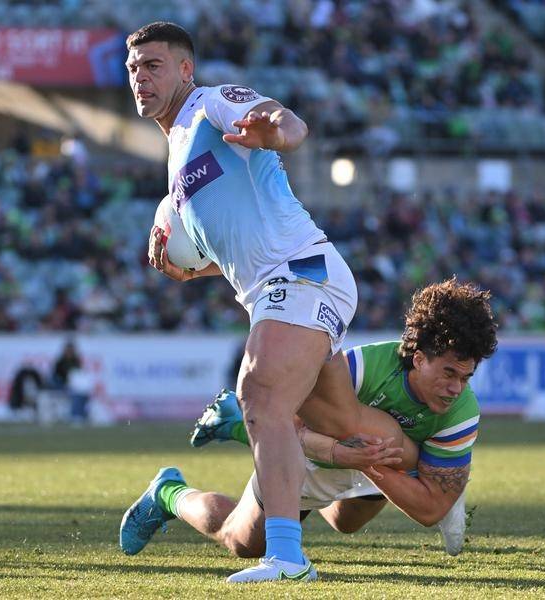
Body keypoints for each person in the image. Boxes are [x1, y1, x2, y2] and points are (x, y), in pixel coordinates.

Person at [123, 21, 369, 582]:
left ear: (186, 69)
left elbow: (289, 122)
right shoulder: (176, 163)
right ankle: (184, 500)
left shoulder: (210, 104)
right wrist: (193, 271)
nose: (141, 77)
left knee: (257, 392)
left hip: (304, 272)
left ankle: (288, 561)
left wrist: (277, 132)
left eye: (154, 65)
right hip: (273, 288)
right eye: (134, 68)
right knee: (328, 433)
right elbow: (236, 252)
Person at [121, 279, 498, 570]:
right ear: (418, 358)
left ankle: (238, 426)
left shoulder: (462, 412)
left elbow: (431, 510)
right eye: (448, 372)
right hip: (316, 454)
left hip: (371, 463)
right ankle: (169, 492)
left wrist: (366, 462)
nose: (455, 388)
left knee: (346, 522)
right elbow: (288, 428)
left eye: (465, 377)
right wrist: (340, 452)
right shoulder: (359, 370)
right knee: (241, 541)